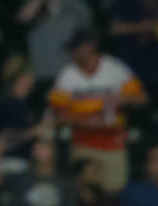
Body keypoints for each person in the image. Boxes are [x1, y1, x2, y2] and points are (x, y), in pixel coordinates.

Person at [48, 28, 145, 192]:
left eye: (76, 48)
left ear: (90, 46)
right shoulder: (67, 75)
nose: (72, 53)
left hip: (113, 141)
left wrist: (123, 98)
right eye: (71, 49)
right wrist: (85, 122)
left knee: (115, 189)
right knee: (84, 193)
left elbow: (142, 98)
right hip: (83, 143)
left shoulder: (113, 68)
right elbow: (57, 116)